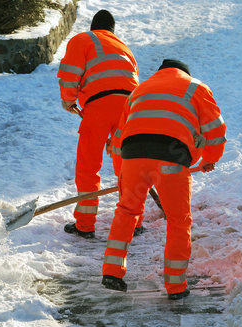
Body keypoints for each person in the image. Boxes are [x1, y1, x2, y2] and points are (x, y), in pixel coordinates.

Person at [101, 59, 227, 300]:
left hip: (132, 155)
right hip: (171, 156)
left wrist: (124, 173)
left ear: (160, 73)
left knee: (127, 210)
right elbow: (216, 131)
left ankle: (112, 272)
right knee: (178, 220)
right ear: (183, 72)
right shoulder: (195, 87)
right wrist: (209, 159)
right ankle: (175, 286)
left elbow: (118, 136)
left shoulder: (140, 89)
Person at [57, 10, 139, 239]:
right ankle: (134, 221)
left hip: (98, 105)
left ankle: (85, 224)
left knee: (88, 166)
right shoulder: (123, 47)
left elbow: (70, 72)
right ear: (112, 31)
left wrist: (68, 100)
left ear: (94, 27)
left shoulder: (83, 40)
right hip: (129, 108)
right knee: (128, 165)